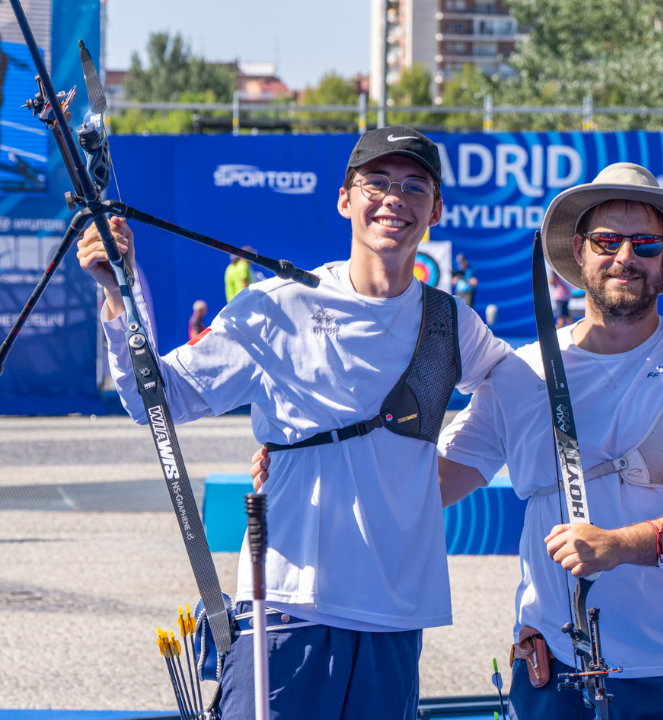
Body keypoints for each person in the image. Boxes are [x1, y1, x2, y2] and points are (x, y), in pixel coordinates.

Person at [76, 126, 511, 720]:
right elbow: (158, 398)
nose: (394, 199)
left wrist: (444, 477)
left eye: (414, 186)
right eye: (376, 183)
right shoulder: (277, 306)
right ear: (344, 199)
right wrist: (120, 293)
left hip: (395, 617)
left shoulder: (452, 323)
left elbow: (523, 393)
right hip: (284, 609)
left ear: (435, 208)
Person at [439, 162, 663, 718]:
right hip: (552, 672)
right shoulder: (521, 372)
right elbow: (432, 483)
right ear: (579, 251)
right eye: (607, 240)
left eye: (644, 243)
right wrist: (312, 456)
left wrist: (617, 545)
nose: (624, 257)